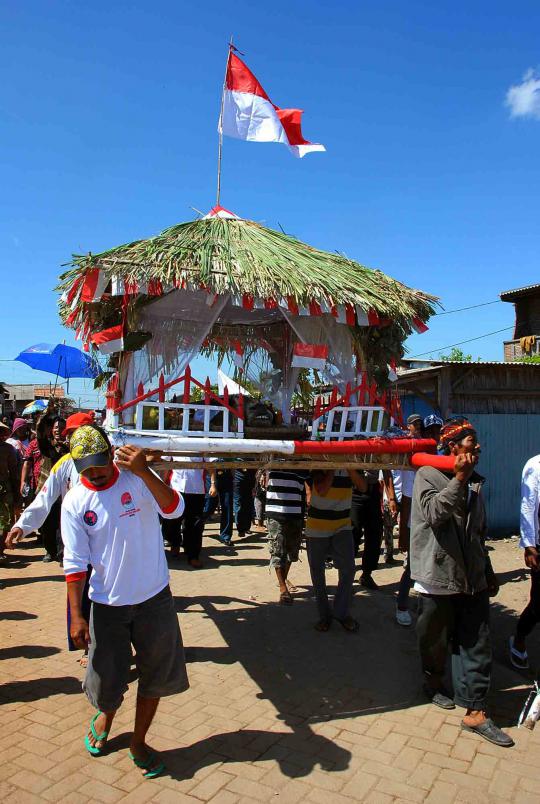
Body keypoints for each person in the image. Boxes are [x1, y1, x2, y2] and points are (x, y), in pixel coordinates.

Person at [62, 425, 188, 777]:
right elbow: (74, 565)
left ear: (110, 455)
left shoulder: (136, 478)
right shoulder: (75, 502)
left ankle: (138, 740)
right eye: (86, 469)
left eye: (99, 465)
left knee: (156, 675)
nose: (96, 474)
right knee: (107, 681)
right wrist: (76, 616)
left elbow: (175, 509)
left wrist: (145, 470)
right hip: (107, 606)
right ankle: (105, 716)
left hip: (154, 599)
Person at [410, 418, 513, 748]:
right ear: (453, 447)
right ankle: (434, 683)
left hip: (471, 579)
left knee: (477, 643)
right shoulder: (427, 474)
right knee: (435, 642)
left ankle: (476, 710)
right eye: (472, 442)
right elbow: (435, 513)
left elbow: (477, 534)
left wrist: (488, 569)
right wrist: (458, 479)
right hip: (438, 578)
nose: (478, 447)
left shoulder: (475, 481)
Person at [305, 469, 367, 632]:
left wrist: (349, 468)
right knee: (317, 573)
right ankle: (324, 616)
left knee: (348, 569)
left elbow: (363, 487)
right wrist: (333, 466)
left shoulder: (352, 464)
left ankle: (341, 612)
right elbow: (322, 490)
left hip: (342, 525)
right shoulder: (318, 464)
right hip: (317, 526)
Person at [509, 452, 540, 670]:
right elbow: (528, 505)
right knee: (539, 602)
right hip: (539, 544)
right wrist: (529, 545)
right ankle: (519, 637)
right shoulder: (536, 466)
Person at [21, 415, 67, 561]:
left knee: (63, 522)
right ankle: (50, 551)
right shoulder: (46, 445)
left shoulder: (70, 447)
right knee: (47, 522)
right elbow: (40, 433)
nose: (58, 430)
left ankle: (61, 552)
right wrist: (47, 414)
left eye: (61, 428)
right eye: (55, 428)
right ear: (51, 430)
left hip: (65, 491)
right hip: (47, 489)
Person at [161, 458, 216, 567]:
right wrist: (163, 483)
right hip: (175, 488)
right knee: (172, 520)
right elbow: (167, 463)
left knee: (195, 524)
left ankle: (193, 555)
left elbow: (210, 464)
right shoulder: (173, 441)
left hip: (196, 489)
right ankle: (175, 543)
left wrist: (213, 484)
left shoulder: (202, 441)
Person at [265, 469, 308, 605]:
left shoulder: (302, 460)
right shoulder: (274, 455)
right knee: (277, 550)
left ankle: (283, 579)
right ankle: (283, 588)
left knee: (292, 551)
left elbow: (306, 482)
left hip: (296, 511)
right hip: (276, 510)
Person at [352, 470, 384, 589]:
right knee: (353, 532)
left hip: (373, 489)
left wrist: (391, 497)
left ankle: (367, 574)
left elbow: (385, 469)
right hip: (355, 491)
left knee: (375, 534)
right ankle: (348, 573)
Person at [0, 422, 20, 559]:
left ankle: (0, 550)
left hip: (5, 490)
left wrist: (17, 493)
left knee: (5, 521)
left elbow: (14, 472)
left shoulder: (8, 449)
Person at [233, 468, 256, 538]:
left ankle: (246, 527)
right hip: (237, 481)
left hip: (250, 481)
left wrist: (253, 485)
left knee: (248, 504)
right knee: (239, 504)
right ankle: (240, 529)